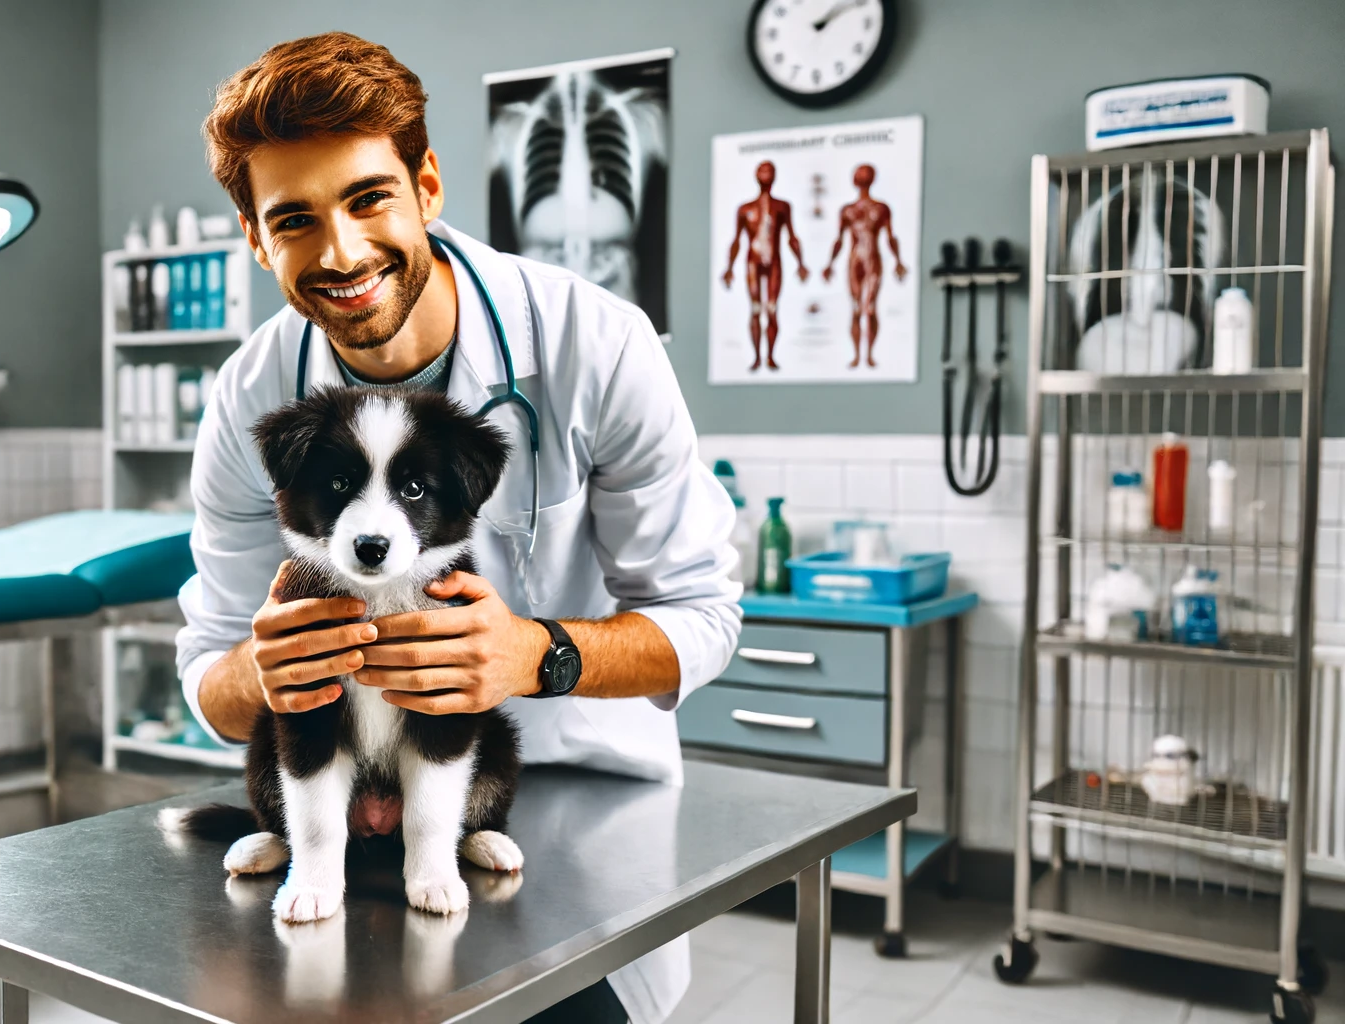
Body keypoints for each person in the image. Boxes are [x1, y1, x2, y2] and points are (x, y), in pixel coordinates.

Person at [175, 32, 741, 1024]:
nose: (342, 253)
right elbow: (214, 684)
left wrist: (534, 654)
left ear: (426, 183)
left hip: (567, 787)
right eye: (294, 220)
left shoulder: (594, 341)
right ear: (256, 238)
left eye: (367, 198)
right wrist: (261, 673)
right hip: (332, 790)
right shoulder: (249, 398)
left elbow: (703, 618)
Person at [720, 160, 807, 371]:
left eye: (769, 170)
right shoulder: (745, 209)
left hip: (774, 261)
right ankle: (758, 356)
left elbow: (791, 237)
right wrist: (729, 267)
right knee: (756, 309)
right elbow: (736, 240)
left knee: (772, 309)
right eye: (762, 170)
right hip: (753, 261)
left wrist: (800, 262)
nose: (765, 174)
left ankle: (770, 356)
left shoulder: (782, 207)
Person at [822, 163, 907, 369]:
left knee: (869, 308)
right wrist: (830, 263)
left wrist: (898, 260)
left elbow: (890, 236)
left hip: (872, 259)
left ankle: (868, 355)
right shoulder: (847, 210)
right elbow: (839, 239)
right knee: (857, 308)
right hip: (855, 260)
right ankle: (857, 355)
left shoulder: (881, 208)